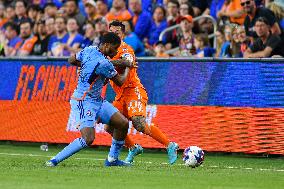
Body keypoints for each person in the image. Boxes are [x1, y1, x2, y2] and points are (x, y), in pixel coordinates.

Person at [46, 32, 134, 167]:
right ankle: (54, 160)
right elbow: (120, 81)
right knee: (88, 138)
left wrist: (84, 66)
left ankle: (112, 160)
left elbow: (71, 59)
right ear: (105, 45)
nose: (115, 51)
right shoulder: (104, 63)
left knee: (122, 123)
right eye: (114, 48)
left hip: (97, 100)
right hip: (83, 101)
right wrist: (128, 66)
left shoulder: (89, 50)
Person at [106, 21, 179, 164]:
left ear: (123, 34)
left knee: (138, 123)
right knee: (109, 126)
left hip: (133, 91)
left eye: (117, 33)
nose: (114, 36)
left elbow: (126, 61)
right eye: (111, 33)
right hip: (120, 95)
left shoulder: (126, 49)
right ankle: (133, 148)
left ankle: (170, 145)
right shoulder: (106, 51)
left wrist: (106, 63)